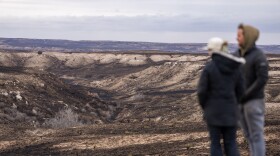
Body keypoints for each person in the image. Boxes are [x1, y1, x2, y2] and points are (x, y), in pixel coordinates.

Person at [198, 37, 245, 156]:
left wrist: (206, 108)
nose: (208, 52)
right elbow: (241, 91)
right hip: (231, 112)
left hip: (213, 113)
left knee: (215, 144)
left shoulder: (209, 68)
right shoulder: (235, 67)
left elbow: (201, 92)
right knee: (231, 143)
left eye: (209, 49)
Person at [235, 24, 269, 156]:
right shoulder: (238, 54)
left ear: (248, 36)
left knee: (256, 136)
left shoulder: (258, 56)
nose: (237, 38)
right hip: (240, 103)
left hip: (254, 102)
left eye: (239, 35)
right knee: (248, 135)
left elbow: (262, 79)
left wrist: (245, 95)